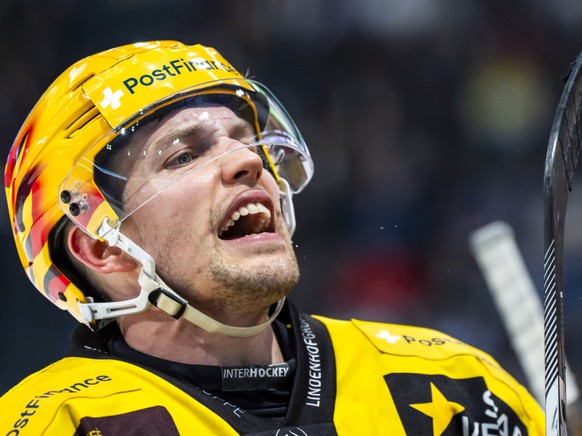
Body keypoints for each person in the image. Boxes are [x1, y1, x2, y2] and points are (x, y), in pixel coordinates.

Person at [1, 40, 543, 435]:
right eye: (183, 156)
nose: (248, 161)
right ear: (101, 247)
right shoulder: (56, 423)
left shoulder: (452, 384)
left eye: (245, 140)